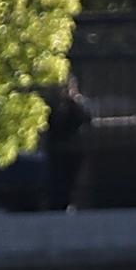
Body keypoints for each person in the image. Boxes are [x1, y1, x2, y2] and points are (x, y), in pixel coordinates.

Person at [40, 74, 93, 211]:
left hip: (72, 149)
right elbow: (47, 124)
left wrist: (72, 101)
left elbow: (86, 119)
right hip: (56, 149)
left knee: (71, 178)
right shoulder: (52, 105)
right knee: (56, 177)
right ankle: (56, 203)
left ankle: (69, 202)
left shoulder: (76, 104)